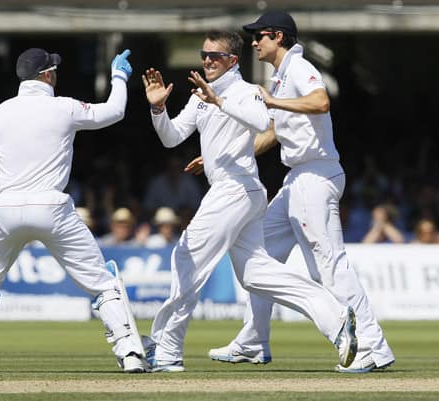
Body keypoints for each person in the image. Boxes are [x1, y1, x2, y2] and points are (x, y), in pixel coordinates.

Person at [186, 12, 394, 374]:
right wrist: (222, 154)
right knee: (260, 254)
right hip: (295, 180)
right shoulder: (280, 77)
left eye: (259, 36)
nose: (254, 42)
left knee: (329, 267)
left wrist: (272, 103)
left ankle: (373, 349)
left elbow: (321, 102)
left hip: (315, 176)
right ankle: (253, 342)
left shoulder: (298, 67)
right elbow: (272, 135)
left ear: (278, 36)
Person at [141, 30, 357, 373]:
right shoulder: (201, 95)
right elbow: (172, 138)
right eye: (204, 55)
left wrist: (219, 101)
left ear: (232, 61)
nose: (207, 61)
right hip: (238, 193)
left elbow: (260, 122)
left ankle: (166, 351)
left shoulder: (245, 91)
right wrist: (158, 109)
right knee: (257, 274)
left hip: (236, 189)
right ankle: (335, 318)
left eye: (215, 56)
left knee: (187, 257)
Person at [0, 47, 146, 373]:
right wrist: (119, 77)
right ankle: (130, 354)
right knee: (102, 281)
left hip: (6, 208)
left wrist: (0, 183)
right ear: (47, 75)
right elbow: (114, 112)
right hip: (52, 207)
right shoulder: (64, 107)